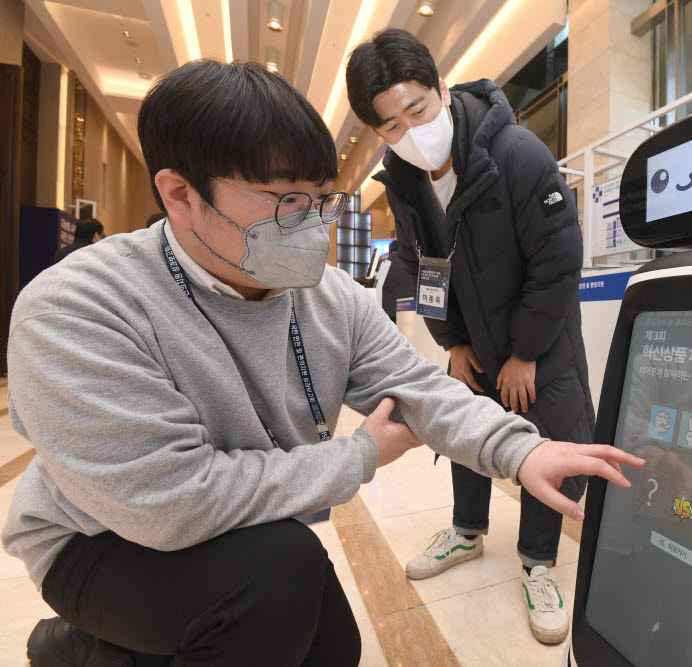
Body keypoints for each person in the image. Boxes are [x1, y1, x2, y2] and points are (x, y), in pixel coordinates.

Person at [1, 59, 643, 666]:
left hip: (242, 529)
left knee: (330, 644)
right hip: (100, 538)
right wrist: (360, 453)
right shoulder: (77, 307)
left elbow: (417, 385)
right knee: (278, 581)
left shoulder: (328, 296)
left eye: (320, 200)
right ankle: (101, 643)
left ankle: (104, 654)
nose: (312, 227)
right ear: (181, 194)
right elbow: (170, 502)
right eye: (284, 202)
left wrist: (522, 451)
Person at [346, 29, 595, 644]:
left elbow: (559, 261)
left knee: (545, 442)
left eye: (417, 111)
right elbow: (421, 267)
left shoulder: (516, 153)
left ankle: (539, 561)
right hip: (474, 343)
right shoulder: (403, 182)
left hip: (540, 344)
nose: (409, 132)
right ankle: (467, 530)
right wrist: (451, 341)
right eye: (390, 127)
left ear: (443, 90)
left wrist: (526, 353)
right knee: (466, 430)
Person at [379, 240, 412, 323]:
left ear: (389, 252)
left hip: (386, 313)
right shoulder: (410, 265)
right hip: (408, 312)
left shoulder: (382, 264)